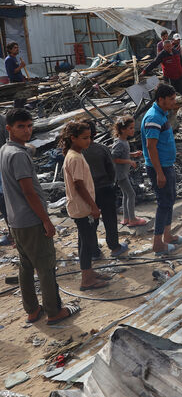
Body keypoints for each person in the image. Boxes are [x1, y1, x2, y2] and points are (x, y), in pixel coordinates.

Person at [0, 109, 78, 324]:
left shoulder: (5, 150)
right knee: (45, 267)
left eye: (29, 126)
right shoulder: (17, 155)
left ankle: (33, 310)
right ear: (9, 128)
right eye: (20, 127)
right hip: (31, 220)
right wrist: (45, 219)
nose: (27, 131)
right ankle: (54, 311)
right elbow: (28, 192)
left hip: (16, 221)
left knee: (25, 266)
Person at [61, 121, 110, 291]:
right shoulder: (74, 157)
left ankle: (89, 273)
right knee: (88, 243)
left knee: (85, 241)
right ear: (73, 138)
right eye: (84, 138)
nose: (88, 141)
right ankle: (86, 280)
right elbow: (79, 185)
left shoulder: (76, 153)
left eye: (89, 137)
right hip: (82, 208)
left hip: (81, 206)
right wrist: (93, 207)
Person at [142, 83, 182, 256]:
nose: (173, 102)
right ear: (160, 100)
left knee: (170, 200)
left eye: (174, 98)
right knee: (163, 203)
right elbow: (151, 147)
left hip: (167, 165)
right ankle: (157, 244)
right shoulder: (153, 117)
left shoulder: (161, 114)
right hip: (159, 168)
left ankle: (168, 236)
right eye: (170, 99)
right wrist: (159, 173)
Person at [82, 121, 128, 258]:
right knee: (110, 220)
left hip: (87, 192)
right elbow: (111, 169)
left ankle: (94, 251)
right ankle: (114, 247)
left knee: (92, 222)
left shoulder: (76, 152)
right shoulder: (101, 149)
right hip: (105, 187)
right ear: (95, 134)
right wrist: (111, 182)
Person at [112, 116, 146, 227]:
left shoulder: (123, 141)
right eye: (130, 128)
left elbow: (123, 154)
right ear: (123, 130)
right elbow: (114, 158)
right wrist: (129, 161)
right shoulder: (119, 143)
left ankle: (126, 218)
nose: (133, 130)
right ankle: (132, 219)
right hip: (120, 174)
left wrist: (133, 154)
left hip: (122, 173)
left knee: (126, 195)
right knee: (131, 194)